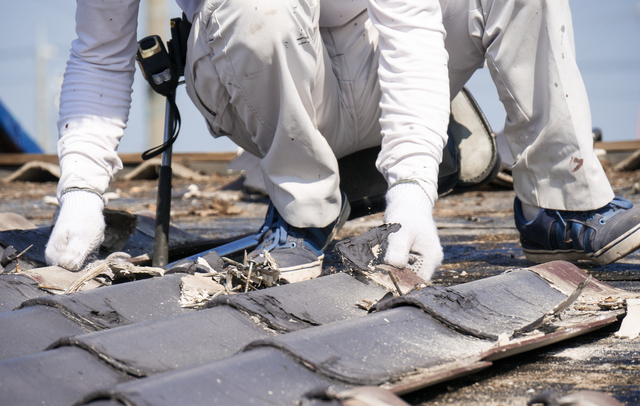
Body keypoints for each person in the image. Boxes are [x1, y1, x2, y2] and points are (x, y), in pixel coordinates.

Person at [45, 0, 640, 283]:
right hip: (266, 70)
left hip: (383, 64)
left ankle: (561, 203)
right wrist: (79, 189)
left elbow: (410, 26)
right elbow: (100, 52)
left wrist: (412, 191)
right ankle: (302, 214)